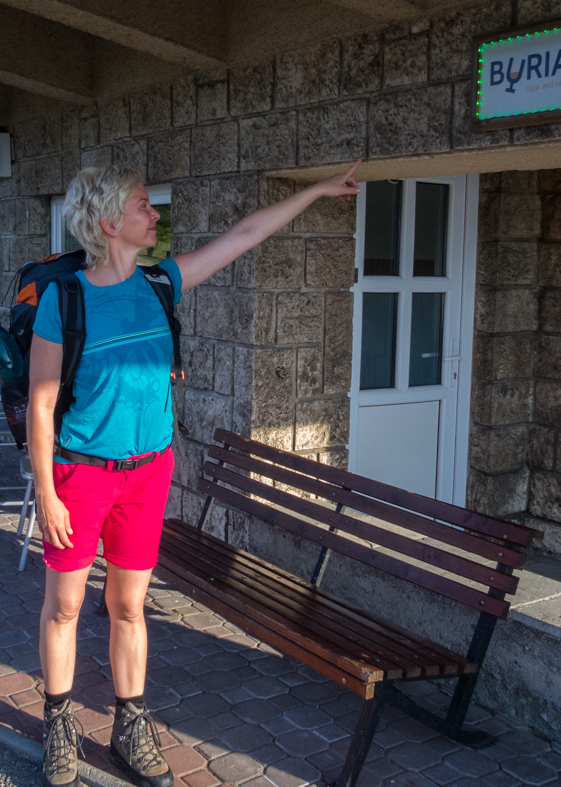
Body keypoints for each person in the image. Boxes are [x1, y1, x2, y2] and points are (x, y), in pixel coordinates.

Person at [27, 160, 362, 787]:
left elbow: (243, 238)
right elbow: (41, 406)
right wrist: (47, 493)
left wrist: (315, 191)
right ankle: (59, 721)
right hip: (82, 476)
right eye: (142, 206)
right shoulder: (63, 301)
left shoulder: (161, 285)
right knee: (66, 607)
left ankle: (130, 722)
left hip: (147, 475)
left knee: (129, 606)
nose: (155, 215)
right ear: (107, 222)